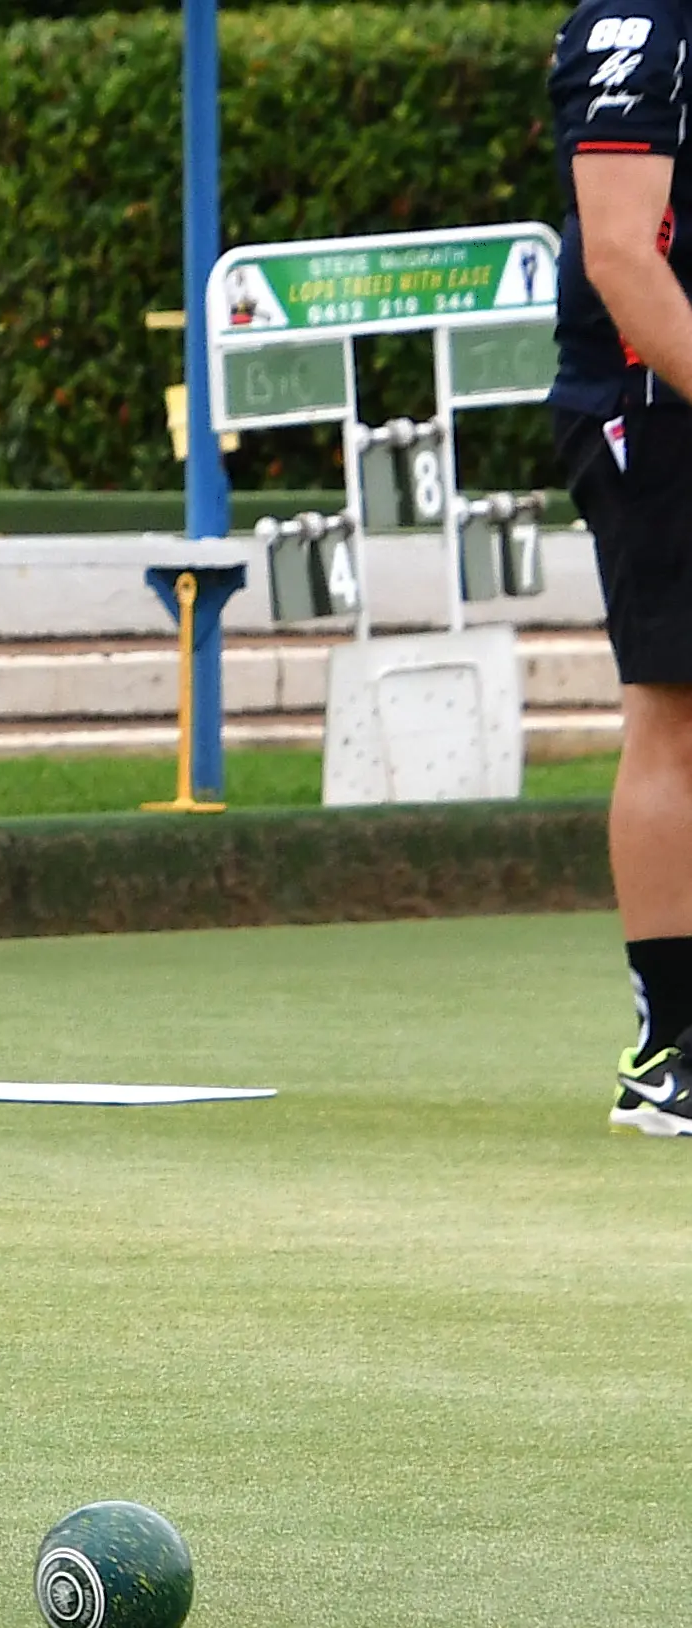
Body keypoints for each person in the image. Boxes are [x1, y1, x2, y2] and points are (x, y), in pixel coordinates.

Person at [549, 0, 692, 1135]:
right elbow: (617, 251)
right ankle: (672, 1050)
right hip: (657, 405)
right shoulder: (641, 20)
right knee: (676, 711)